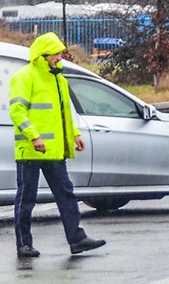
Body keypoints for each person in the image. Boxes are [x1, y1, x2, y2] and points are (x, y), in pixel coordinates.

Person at [8, 32, 106, 258]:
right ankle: (24, 244)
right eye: (57, 54)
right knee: (26, 199)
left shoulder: (59, 79)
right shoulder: (25, 76)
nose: (60, 58)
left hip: (53, 151)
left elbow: (64, 114)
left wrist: (74, 134)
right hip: (31, 150)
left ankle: (77, 239)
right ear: (43, 56)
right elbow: (17, 111)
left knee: (67, 194)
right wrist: (34, 136)